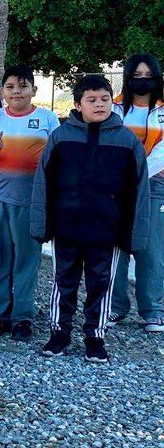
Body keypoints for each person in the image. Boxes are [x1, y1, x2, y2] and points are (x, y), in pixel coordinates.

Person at [34, 75, 149, 364]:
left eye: (105, 99)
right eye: (92, 99)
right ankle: (59, 333)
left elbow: (139, 189)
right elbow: (43, 182)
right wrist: (41, 224)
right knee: (64, 280)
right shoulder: (61, 136)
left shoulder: (126, 140)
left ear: (113, 101)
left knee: (101, 283)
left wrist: (135, 234)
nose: (99, 104)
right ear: (77, 104)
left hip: (107, 229)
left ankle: (95, 337)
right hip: (67, 226)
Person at [0, 65, 59, 341]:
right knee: (0, 256)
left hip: (31, 201)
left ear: (34, 90)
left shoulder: (47, 119)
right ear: (3, 91)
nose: (16, 92)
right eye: (10, 87)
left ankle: (22, 317)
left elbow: (57, 162)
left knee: (26, 259)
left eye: (23, 86)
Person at [112, 54, 164, 332]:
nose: (142, 80)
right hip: (116, 185)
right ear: (128, 78)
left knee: (152, 248)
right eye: (137, 75)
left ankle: (153, 309)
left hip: (156, 185)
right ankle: (115, 307)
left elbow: (162, 153)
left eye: (148, 75)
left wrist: (138, 176)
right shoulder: (115, 109)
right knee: (116, 247)